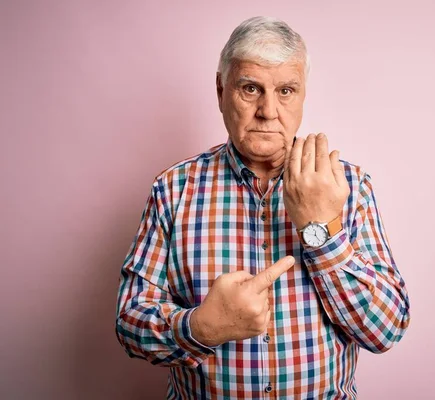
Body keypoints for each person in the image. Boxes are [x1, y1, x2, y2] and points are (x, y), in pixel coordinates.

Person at [116, 16, 410, 399]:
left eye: (286, 90)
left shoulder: (350, 186)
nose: (268, 111)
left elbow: (384, 330)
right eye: (251, 88)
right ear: (221, 90)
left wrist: (320, 230)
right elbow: (129, 323)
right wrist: (202, 328)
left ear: (303, 95)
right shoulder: (173, 189)